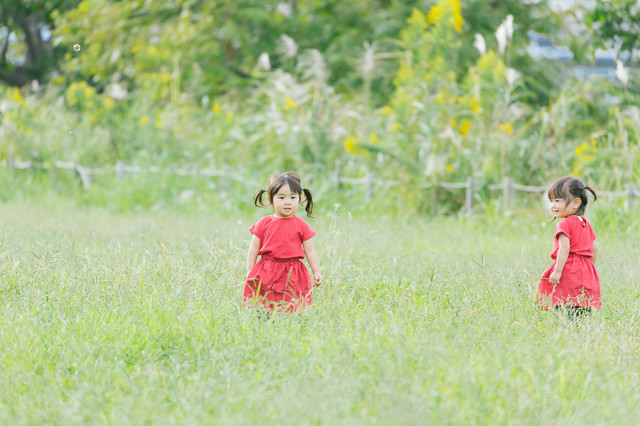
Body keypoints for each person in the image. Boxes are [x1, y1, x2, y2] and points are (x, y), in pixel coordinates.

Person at [244, 172, 322, 313]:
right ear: (271, 199)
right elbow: (254, 248)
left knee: (293, 303)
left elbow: (310, 250)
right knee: (265, 303)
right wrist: (250, 270)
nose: (288, 202)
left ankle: (291, 322)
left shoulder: (301, 225)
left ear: (300, 199)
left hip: (293, 271)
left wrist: (316, 271)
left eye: (293, 197)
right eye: (281, 197)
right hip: (267, 270)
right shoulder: (264, 223)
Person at [537, 176, 600, 319]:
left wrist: (557, 271)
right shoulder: (585, 223)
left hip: (569, 270)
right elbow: (594, 249)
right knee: (582, 308)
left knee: (565, 306)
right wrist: (587, 267)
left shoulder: (564, 224)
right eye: (551, 201)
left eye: (557, 201)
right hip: (586, 271)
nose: (553, 205)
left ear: (576, 203)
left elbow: (564, 249)